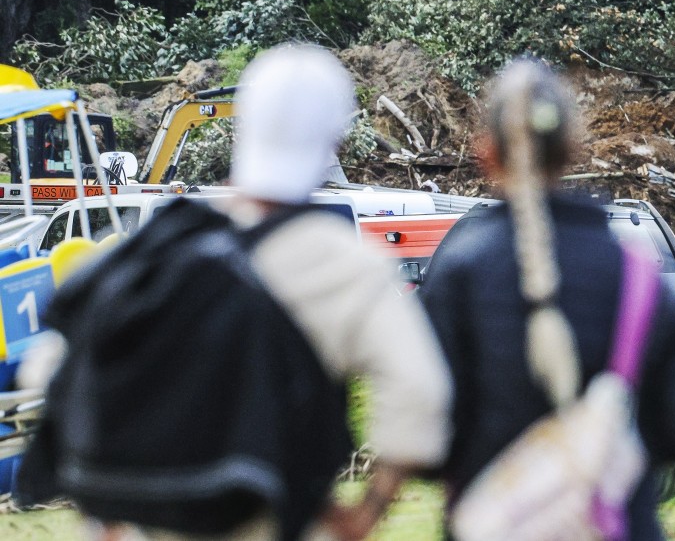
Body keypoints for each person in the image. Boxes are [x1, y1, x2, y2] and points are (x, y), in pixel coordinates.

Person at [20, 44, 454, 541]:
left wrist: (109, 507)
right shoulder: (343, 263)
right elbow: (421, 392)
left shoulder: (165, 241)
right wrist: (366, 513)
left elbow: (49, 369)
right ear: (335, 136)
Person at [419, 58, 675, 540]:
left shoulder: (458, 275)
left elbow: (424, 433)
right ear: (573, 148)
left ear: (486, 152)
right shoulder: (635, 271)